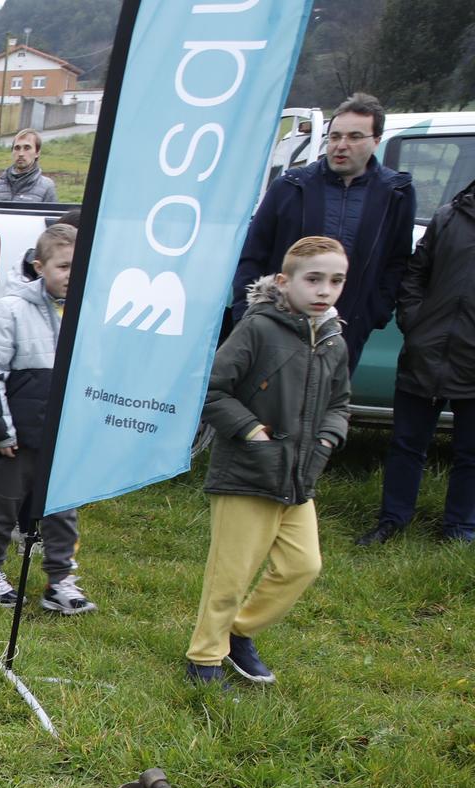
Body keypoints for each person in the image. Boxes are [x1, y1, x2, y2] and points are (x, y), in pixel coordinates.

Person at [188, 237, 351, 686]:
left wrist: (327, 439)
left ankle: (240, 632)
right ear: (284, 281)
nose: (324, 290)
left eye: (335, 281)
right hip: (247, 471)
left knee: (303, 566)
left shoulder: (334, 338)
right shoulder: (258, 328)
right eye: (314, 279)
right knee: (231, 575)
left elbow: (341, 402)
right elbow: (211, 389)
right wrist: (251, 431)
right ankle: (204, 657)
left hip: (300, 476)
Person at [231, 93, 414, 372]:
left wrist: (373, 313)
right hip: (277, 327)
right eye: (335, 136)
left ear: (376, 141)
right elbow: (253, 254)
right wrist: (249, 315)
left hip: (345, 330)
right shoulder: (291, 187)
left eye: (354, 137)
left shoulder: (395, 194)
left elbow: (397, 261)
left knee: (326, 408)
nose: (342, 146)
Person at [0, 222, 96, 615]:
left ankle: (60, 581)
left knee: (63, 512)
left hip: (63, 440)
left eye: (80, 266)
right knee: (3, 509)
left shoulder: (89, 313)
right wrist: (1, 432)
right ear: (40, 266)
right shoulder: (12, 310)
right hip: (16, 439)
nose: (71, 275)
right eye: (63, 266)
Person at [358, 176, 475, 545]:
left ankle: (460, 528)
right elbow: (415, 273)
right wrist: (415, 322)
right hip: (426, 352)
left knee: (471, 453)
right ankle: (392, 520)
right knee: (407, 444)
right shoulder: (448, 218)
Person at [0, 130, 60, 204]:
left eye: (27, 148)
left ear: (37, 153)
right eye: (17, 148)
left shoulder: (46, 187)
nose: (21, 154)